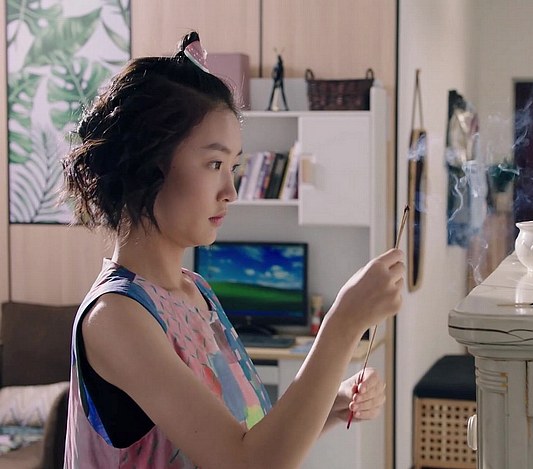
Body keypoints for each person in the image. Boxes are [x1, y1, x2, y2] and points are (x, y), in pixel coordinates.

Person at [61, 31, 404, 468]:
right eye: (214, 164)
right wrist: (343, 323)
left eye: (234, 166)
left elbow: (243, 441)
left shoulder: (195, 291)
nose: (231, 190)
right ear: (145, 166)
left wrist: (330, 404)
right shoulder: (115, 317)